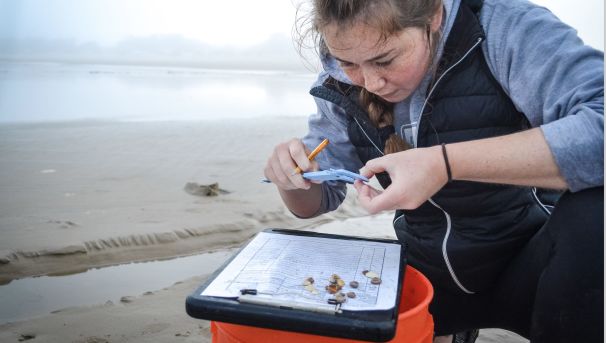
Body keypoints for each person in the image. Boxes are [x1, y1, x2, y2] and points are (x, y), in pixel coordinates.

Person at [263, 0, 604, 342]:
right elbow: (313, 204)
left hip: (533, 269)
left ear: (435, 16)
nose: (370, 83)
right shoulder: (339, 80)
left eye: (385, 60)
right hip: (427, 280)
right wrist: (291, 179)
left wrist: (444, 164)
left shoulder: (505, 27)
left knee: (596, 210)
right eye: (348, 63)